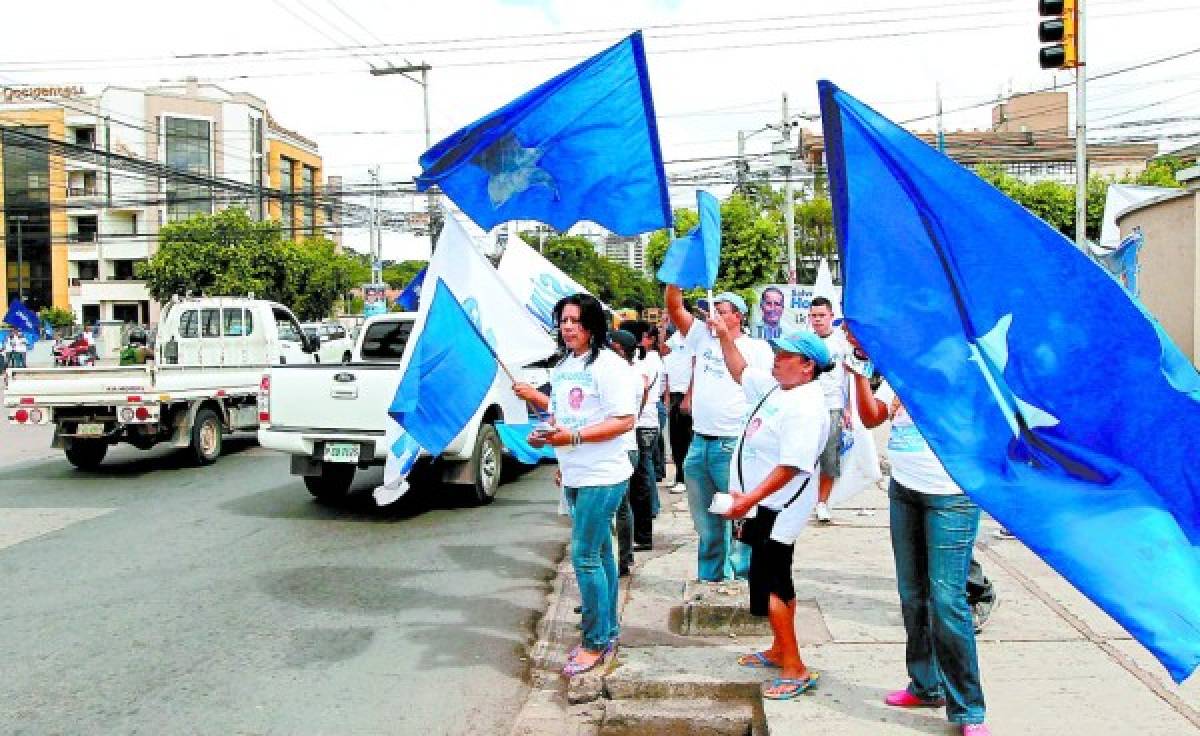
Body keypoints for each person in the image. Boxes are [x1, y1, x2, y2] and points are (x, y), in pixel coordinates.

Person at [846, 330, 990, 735]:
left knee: (947, 602)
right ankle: (926, 684)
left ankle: (969, 710)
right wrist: (858, 368)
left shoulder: (968, 370)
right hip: (905, 489)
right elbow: (875, 416)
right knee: (912, 595)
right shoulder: (902, 370)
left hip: (951, 496)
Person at [513, 293, 637, 677]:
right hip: (575, 473)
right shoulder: (565, 366)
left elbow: (624, 420)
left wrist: (574, 439)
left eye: (576, 320)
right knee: (600, 556)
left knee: (584, 556)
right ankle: (606, 630)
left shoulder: (610, 366)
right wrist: (546, 435)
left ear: (593, 326)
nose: (568, 327)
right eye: (563, 320)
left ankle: (595, 641)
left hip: (603, 474)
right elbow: (562, 415)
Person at [710, 316, 830, 701]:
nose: (775, 360)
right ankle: (779, 649)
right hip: (763, 505)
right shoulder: (779, 391)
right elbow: (741, 370)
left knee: (774, 581)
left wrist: (749, 499)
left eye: (784, 355)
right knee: (766, 580)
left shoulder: (806, 405)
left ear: (807, 365)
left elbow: (793, 465)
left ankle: (795, 666)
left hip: (779, 506)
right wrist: (727, 338)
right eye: (776, 353)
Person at [665, 284, 773, 582]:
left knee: (740, 516)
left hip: (734, 443)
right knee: (707, 520)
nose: (713, 317)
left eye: (721, 311)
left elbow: (763, 391)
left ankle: (743, 579)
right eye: (711, 311)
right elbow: (675, 308)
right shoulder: (702, 338)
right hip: (700, 442)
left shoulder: (757, 348)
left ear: (738, 316)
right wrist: (677, 277)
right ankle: (711, 577)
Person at [808, 296, 851, 523]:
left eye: (821, 315)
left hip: (833, 406)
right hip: (808, 406)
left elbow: (850, 378)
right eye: (814, 316)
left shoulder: (842, 343)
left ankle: (822, 503)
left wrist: (849, 409)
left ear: (831, 317)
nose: (817, 320)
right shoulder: (805, 342)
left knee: (829, 458)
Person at [607, 329, 643, 578]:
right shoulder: (633, 375)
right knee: (622, 507)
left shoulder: (622, 376)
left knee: (616, 508)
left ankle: (619, 560)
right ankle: (624, 557)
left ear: (619, 349)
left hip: (621, 446)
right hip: (627, 444)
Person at [661, 323, 693, 494]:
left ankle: (684, 478)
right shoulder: (675, 338)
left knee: (685, 440)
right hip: (674, 393)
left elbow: (695, 370)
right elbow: (663, 350)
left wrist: (688, 397)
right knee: (675, 439)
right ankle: (679, 475)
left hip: (685, 394)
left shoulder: (694, 338)